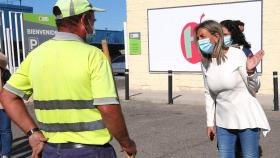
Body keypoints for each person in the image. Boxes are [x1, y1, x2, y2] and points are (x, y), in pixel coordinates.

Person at [0, 0, 137, 158]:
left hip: (50, 151)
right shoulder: (93, 56)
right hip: (92, 152)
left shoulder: (36, 55)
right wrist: (127, 143)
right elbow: (108, 109)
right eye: (93, 20)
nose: (93, 26)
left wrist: (32, 132)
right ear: (83, 20)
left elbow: (7, 96)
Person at [194, 20, 270, 158]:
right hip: (223, 122)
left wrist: (251, 71)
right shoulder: (205, 63)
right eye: (197, 38)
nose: (199, 41)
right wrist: (210, 123)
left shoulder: (236, 54)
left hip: (247, 119)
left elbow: (255, 88)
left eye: (202, 37)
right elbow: (209, 94)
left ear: (216, 36)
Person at [0, 53, 12, 158]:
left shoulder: (4, 72)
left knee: (5, 130)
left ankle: (5, 154)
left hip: (3, 105)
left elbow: (11, 87)